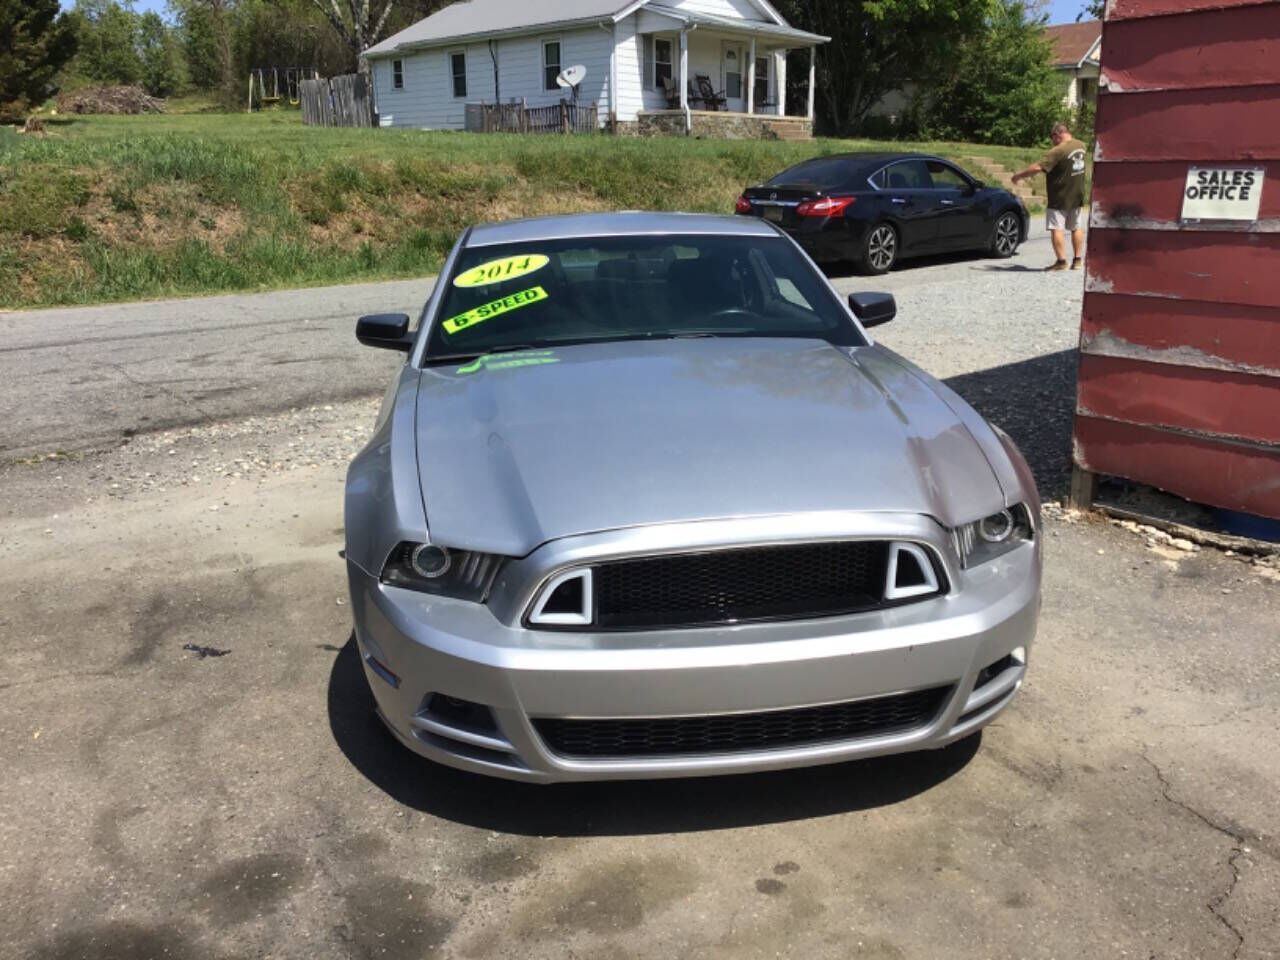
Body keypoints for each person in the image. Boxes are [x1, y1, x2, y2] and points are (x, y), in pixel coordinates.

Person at [1012, 123, 1087, 271]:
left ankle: (1061, 262)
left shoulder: (1058, 150)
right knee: (1076, 227)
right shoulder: (1081, 145)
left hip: (1059, 196)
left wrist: (1019, 176)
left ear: (1057, 135)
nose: (1052, 141)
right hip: (1077, 194)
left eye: (1052, 138)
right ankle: (1078, 261)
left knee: (1056, 229)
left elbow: (1037, 168)